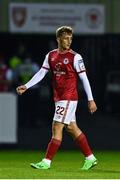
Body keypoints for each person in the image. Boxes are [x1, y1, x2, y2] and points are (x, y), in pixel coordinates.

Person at [16, 26, 98, 170]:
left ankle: (46, 161)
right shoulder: (51, 55)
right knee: (72, 128)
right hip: (59, 97)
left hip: (69, 97)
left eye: (70, 38)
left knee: (57, 127)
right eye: (66, 38)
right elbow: (41, 73)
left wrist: (90, 99)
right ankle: (90, 158)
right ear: (58, 39)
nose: (69, 41)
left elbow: (84, 79)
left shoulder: (76, 57)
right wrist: (27, 86)